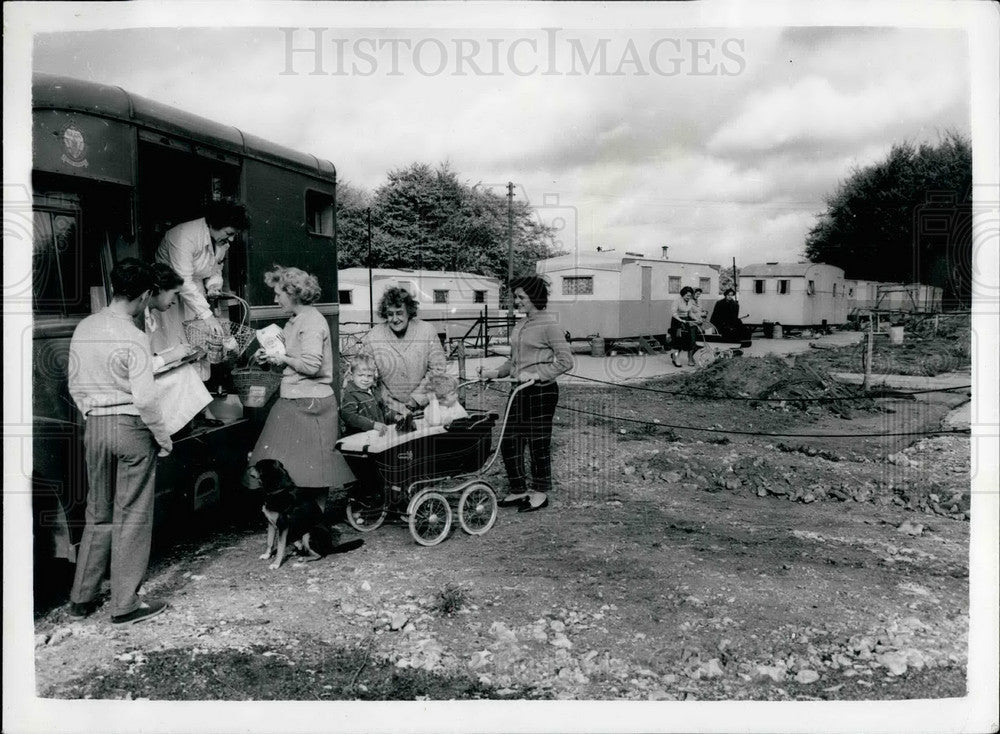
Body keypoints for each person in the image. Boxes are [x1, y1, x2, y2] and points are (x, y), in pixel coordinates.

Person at [66, 258, 171, 624]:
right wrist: (163, 436)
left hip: (94, 426)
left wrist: (93, 416)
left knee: (98, 511)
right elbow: (145, 399)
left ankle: (82, 597)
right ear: (144, 295)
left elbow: (74, 384)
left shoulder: (85, 326)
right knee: (133, 515)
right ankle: (125, 604)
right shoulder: (135, 336)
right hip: (130, 427)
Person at [248, 265, 352, 512]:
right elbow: (292, 356)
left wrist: (282, 359)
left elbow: (311, 365)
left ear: (292, 293)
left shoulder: (312, 322)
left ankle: (313, 526)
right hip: (296, 398)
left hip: (311, 402)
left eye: (278, 294)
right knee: (289, 463)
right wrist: (272, 357)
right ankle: (297, 523)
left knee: (315, 469)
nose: (275, 299)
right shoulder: (295, 321)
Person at [480, 276, 573, 513]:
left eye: (521, 297)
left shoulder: (549, 325)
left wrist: (536, 374)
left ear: (535, 297)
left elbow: (566, 361)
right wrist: (493, 372)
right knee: (510, 442)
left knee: (538, 444)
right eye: (516, 297)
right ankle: (518, 489)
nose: (517, 301)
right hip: (519, 391)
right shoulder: (520, 325)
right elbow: (513, 362)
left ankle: (540, 492)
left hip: (542, 391)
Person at [152, 200, 250, 379]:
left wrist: (213, 286)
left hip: (194, 293)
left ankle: (197, 390)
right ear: (215, 224)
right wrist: (207, 315)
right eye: (229, 233)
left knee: (199, 344)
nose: (231, 239)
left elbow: (215, 268)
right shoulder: (183, 235)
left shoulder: (221, 242)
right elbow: (182, 280)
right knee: (174, 343)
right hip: (169, 295)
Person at [146, 263, 213, 435]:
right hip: (138, 383)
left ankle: (183, 425)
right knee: (185, 374)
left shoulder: (148, 315)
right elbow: (141, 366)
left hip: (143, 374)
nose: (175, 301)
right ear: (159, 289)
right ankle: (172, 430)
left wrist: (177, 355)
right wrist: (172, 355)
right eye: (174, 294)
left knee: (185, 369)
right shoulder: (139, 318)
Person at [361, 286, 446, 416]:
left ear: (409, 312)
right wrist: (388, 402)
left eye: (399, 313)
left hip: (425, 409)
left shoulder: (427, 331)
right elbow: (364, 371)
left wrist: (416, 399)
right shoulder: (373, 336)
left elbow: (438, 370)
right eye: (390, 314)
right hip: (387, 410)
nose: (395, 319)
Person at [340, 353, 392, 437]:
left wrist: (396, 416)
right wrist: (372, 425)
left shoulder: (374, 391)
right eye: (360, 375)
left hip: (377, 435)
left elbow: (384, 410)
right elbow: (349, 416)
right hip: (359, 439)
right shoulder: (350, 394)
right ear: (352, 376)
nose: (365, 379)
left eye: (369, 376)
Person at [668, 286, 701, 367]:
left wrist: (696, 319)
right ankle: (675, 358)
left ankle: (689, 358)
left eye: (690, 296)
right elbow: (674, 313)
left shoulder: (689, 301)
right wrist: (680, 320)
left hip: (686, 321)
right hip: (677, 322)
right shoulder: (677, 301)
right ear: (683, 295)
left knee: (688, 340)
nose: (689, 297)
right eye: (687, 296)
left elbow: (690, 313)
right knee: (677, 341)